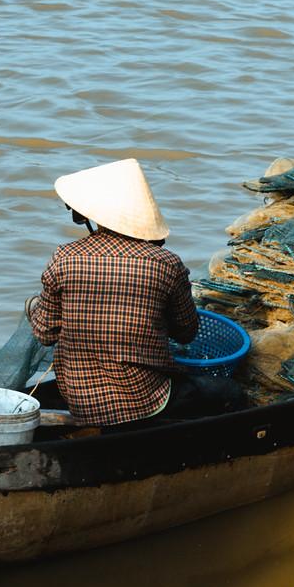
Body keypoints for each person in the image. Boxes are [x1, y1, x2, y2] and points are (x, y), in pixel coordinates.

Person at [27, 158, 199, 428]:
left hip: (80, 397)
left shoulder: (64, 257)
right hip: (145, 397)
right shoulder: (167, 264)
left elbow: (44, 334)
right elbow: (186, 333)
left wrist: (36, 308)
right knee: (227, 393)